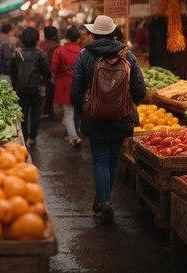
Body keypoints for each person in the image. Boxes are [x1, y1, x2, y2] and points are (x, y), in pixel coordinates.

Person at [70, 15, 146, 224]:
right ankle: (104, 200)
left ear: (93, 33)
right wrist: (126, 105)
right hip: (121, 117)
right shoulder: (127, 55)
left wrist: (85, 109)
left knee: (100, 159)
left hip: (95, 117)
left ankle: (104, 201)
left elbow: (76, 91)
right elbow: (140, 90)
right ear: (113, 33)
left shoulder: (85, 55)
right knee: (113, 159)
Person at [9, 27, 51, 146]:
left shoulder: (17, 53)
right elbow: (46, 72)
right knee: (36, 114)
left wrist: (15, 86)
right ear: (37, 39)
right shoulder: (41, 54)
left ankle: (25, 137)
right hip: (37, 89)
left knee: (23, 114)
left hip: (21, 89)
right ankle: (32, 138)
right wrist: (44, 83)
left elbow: (12, 71)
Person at [52, 26, 83, 147]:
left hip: (65, 85)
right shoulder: (83, 51)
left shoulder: (59, 51)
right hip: (80, 85)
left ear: (67, 38)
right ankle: (77, 133)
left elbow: (54, 69)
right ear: (79, 39)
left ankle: (74, 137)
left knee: (68, 113)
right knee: (79, 112)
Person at [39, 26, 59, 118]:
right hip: (50, 73)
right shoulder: (56, 46)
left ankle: (43, 112)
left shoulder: (40, 45)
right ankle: (48, 112)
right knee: (49, 93)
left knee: (43, 93)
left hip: (40, 73)